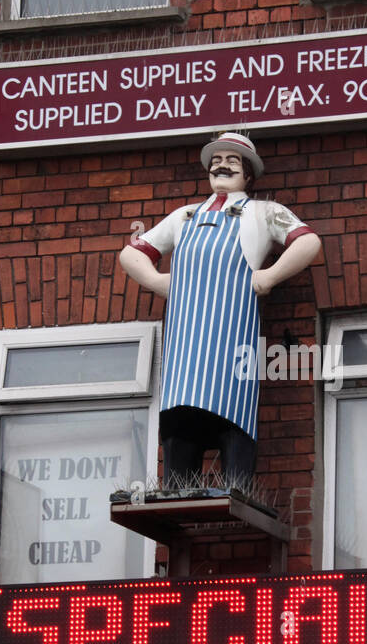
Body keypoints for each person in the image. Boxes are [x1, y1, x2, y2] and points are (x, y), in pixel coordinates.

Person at [119, 131, 321, 487]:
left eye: (231, 161)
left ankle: (237, 486)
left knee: (234, 414)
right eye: (216, 161)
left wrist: (271, 275)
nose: (222, 166)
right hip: (184, 345)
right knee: (181, 417)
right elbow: (132, 253)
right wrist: (158, 281)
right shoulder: (184, 216)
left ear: (248, 173)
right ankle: (176, 488)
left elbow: (307, 241)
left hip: (234, 335)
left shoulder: (263, 212)